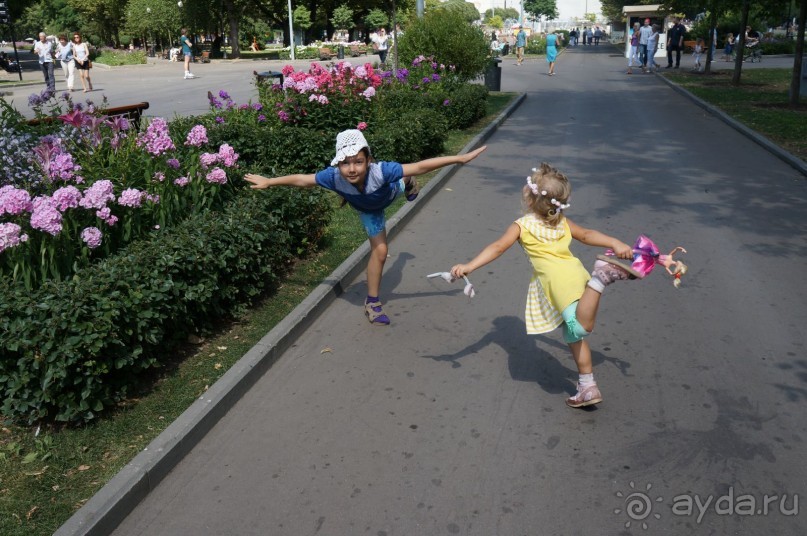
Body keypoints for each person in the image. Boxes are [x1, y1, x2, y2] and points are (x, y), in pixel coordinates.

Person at [244, 130, 487, 326]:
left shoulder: (381, 171)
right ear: (338, 164)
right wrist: (270, 181)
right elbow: (302, 179)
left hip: (389, 193)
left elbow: (420, 166)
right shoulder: (333, 177)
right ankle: (373, 303)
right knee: (381, 252)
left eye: (358, 162)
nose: (352, 169)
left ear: (368, 160)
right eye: (345, 163)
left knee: (403, 178)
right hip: (370, 211)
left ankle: (407, 183)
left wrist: (459, 159)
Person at [450, 163, 637, 408]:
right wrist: (614, 241)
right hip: (574, 274)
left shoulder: (522, 225)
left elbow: (497, 247)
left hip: (557, 283)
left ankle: (600, 279)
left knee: (580, 328)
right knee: (573, 335)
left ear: (530, 199)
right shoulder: (562, 222)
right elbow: (587, 234)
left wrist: (470, 266)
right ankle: (587, 386)